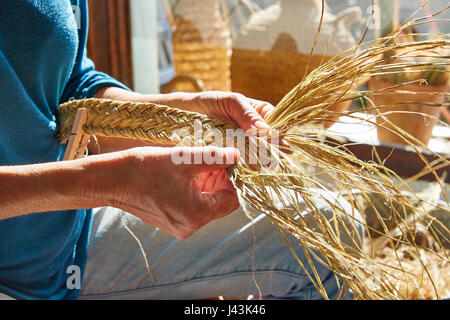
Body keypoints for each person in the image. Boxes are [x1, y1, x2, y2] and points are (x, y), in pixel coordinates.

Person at [0, 0, 354, 300]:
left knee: (332, 227)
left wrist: (187, 114)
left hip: (70, 225)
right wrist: (105, 183)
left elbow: (70, 88)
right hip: (25, 272)